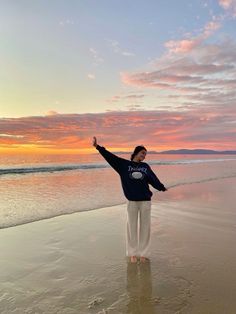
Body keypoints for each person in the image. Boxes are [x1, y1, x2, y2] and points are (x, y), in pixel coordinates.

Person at [92, 136, 167, 263]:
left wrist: (161, 187)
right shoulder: (124, 165)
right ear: (136, 152)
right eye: (143, 153)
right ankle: (132, 253)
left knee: (145, 228)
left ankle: (143, 254)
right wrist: (98, 148)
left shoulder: (145, 167)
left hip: (145, 201)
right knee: (131, 227)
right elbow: (111, 158)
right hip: (132, 201)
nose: (144, 156)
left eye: (145, 154)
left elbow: (153, 179)